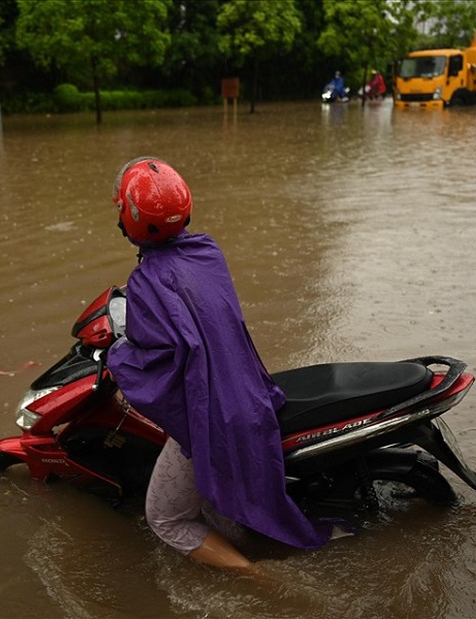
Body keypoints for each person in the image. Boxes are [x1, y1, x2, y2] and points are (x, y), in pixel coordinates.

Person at [105, 157, 338, 571]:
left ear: (130, 220)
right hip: (251, 394)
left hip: (212, 415)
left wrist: (119, 353)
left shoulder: (146, 286)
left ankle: (262, 581)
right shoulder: (207, 251)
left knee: (165, 518)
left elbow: (154, 366)